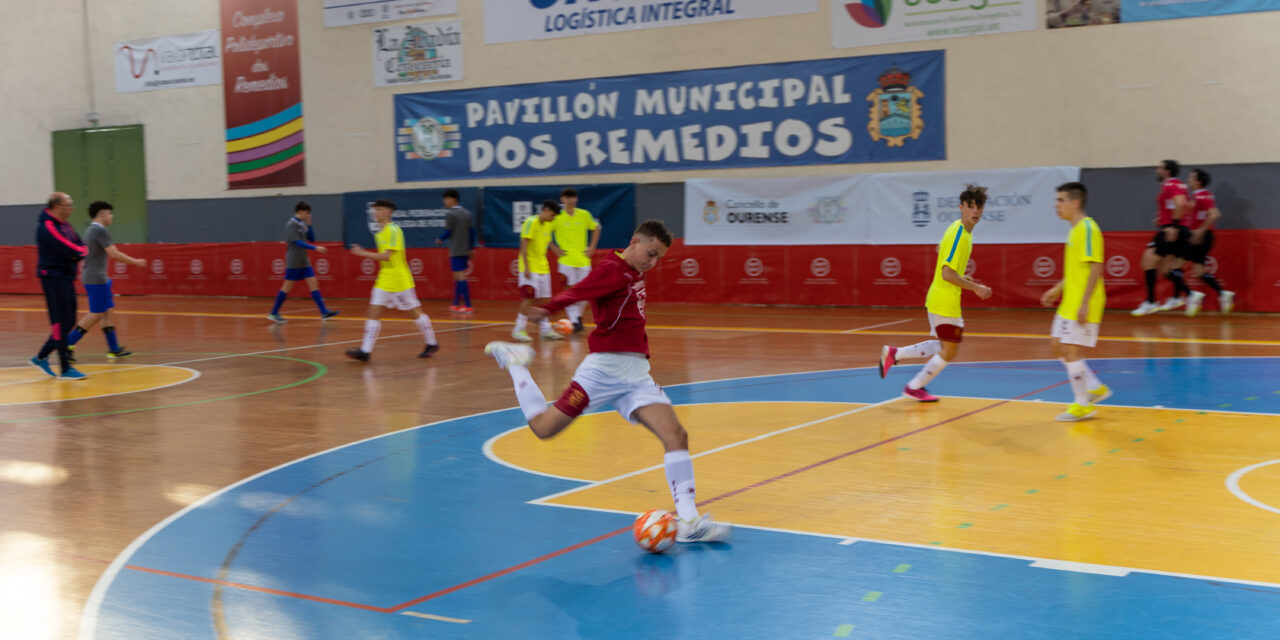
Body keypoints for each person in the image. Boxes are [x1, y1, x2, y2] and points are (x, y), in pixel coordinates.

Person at [483, 219, 731, 543]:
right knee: (543, 428)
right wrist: (548, 309)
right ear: (635, 241)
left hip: (637, 375)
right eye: (650, 254)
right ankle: (516, 364)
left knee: (676, 434)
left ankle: (689, 521)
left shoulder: (634, 269)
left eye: (658, 258)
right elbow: (579, 291)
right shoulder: (612, 270)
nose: (652, 263)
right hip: (602, 372)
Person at [879, 184, 993, 402]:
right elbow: (948, 274)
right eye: (970, 206)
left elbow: (940, 252)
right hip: (944, 298)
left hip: (940, 297)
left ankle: (895, 354)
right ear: (961, 207)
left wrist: (965, 278)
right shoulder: (961, 233)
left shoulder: (959, 230)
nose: (975, 211)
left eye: (979, 206)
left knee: (945, 345)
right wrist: (976, 287)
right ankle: (914, 386)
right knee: (949, 349)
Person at [1040, 182, 1112, 422]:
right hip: (1069, 300)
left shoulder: (1088, 228)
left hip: (1082, 301)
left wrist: (1084, 303)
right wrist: (1057, 288)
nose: (1056, 205)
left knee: (1071, 351)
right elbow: (1076, 271)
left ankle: (1083, 404)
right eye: (1056, 200)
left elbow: (1096, 266)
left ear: (1075, 202)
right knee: (1057, 346)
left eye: (1060, 200)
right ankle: (1094, 387)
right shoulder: (1074, 231)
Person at [345, 199, 439, 361]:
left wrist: (362, 253)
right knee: (373, 312)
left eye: (380, 210)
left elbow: (387, 256)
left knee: (414, 313)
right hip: (384, 279)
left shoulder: (393, 230)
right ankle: (365, 351)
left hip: (399, 279)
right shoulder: (380, 233)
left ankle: (431, 342)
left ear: (389, 212)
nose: (376, 213)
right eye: (375, 210)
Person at [66, 201, 146, 361]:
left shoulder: (91, 230)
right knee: (96, 314)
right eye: (110, 213)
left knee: (108, 312)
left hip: (100, 277)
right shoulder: (99, 231)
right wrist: (136, 262)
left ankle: (113, 349)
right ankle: (67, 345)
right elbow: (114, 254)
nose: (112, 216)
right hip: (96, 278)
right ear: (102, 214)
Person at [30, 192, 89, 380]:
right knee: (59, 322)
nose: (72, 208)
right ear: (57, 206)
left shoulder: (66, 225)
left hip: (65, 276)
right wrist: (78, 252)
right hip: (53, 277)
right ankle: (65, 368)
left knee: (69, 320)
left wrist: (78, 252)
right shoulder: (47, 226)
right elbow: (69, 248)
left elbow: (80, 244)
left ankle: (41, 356)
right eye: (68, 204)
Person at [1132, 160, 1191, 316]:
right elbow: (1188, 205)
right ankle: (1180, 296)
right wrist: (1165, 218)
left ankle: (1151, 301)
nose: (1157, 170)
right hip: (1178, 228)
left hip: (1170, 229)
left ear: (1167, 171)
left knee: (1147, 260)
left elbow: (1180, 203)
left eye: (1160, 168)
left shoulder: (1169, 184)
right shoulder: (1181, 184)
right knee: (1166, 268)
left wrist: (1173, 225)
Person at [267, 201, 338, 323]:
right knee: (287, 286)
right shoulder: (291, 224)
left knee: (313, 284)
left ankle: (324, 312)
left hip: (304, 260)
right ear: (300, 211)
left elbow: (312, 238)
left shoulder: (302, 224)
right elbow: (297, 242)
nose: (308, 215)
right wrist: (315, 248)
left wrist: (310, 224)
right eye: (307, 213)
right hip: (294, 261)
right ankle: (273, 313)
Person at [1182, 168, 1234, 316]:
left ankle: (1191, 296)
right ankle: (1223, 294)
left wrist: (1200, 231)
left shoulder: (1202, 196)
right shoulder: (1202, 196)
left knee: (1172, 266)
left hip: (1200, 237)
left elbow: (1215, 215)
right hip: (1203, 237)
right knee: (1198, 271)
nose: (1188, 180)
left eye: (1191, 178)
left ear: (1198, 181)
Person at [511, 200, 563, 342]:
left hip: (543, 267)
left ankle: (545, 330)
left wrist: (556, 250)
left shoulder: (548, 225)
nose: (552, 218)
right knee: (529, 298)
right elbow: (524, 245)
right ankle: (518, 329)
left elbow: (548, 241)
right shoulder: (530, 222)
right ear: (545, 210)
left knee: (545, 299)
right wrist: (526, 267)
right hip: (530, 267)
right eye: (551, 215)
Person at [552, 187, 600, 333]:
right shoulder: (556, 216)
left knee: (586, 292)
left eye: (572, 197)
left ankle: (576, 316)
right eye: (567, 197)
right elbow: (545, 232)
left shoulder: (584, 214)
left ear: (576, 199)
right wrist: (553, 247)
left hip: (583, 259)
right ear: (562, 199)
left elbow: (596, 227)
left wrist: (592, 247)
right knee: (569, 290)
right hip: (566, 260)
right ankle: (575, 320)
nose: (570, 200)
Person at [435, 189, 476, 313]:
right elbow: (472, 232)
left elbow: (448, 231)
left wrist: (440, 239)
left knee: (460, 276)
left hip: (456, 250)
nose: (445, 202)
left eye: (446, 199)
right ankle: (456, 303)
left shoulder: (451, 214)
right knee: (457, 276)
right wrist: (471, 248)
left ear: (453, 199)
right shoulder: (467, 213)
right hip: (465, 250)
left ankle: (468, 305)